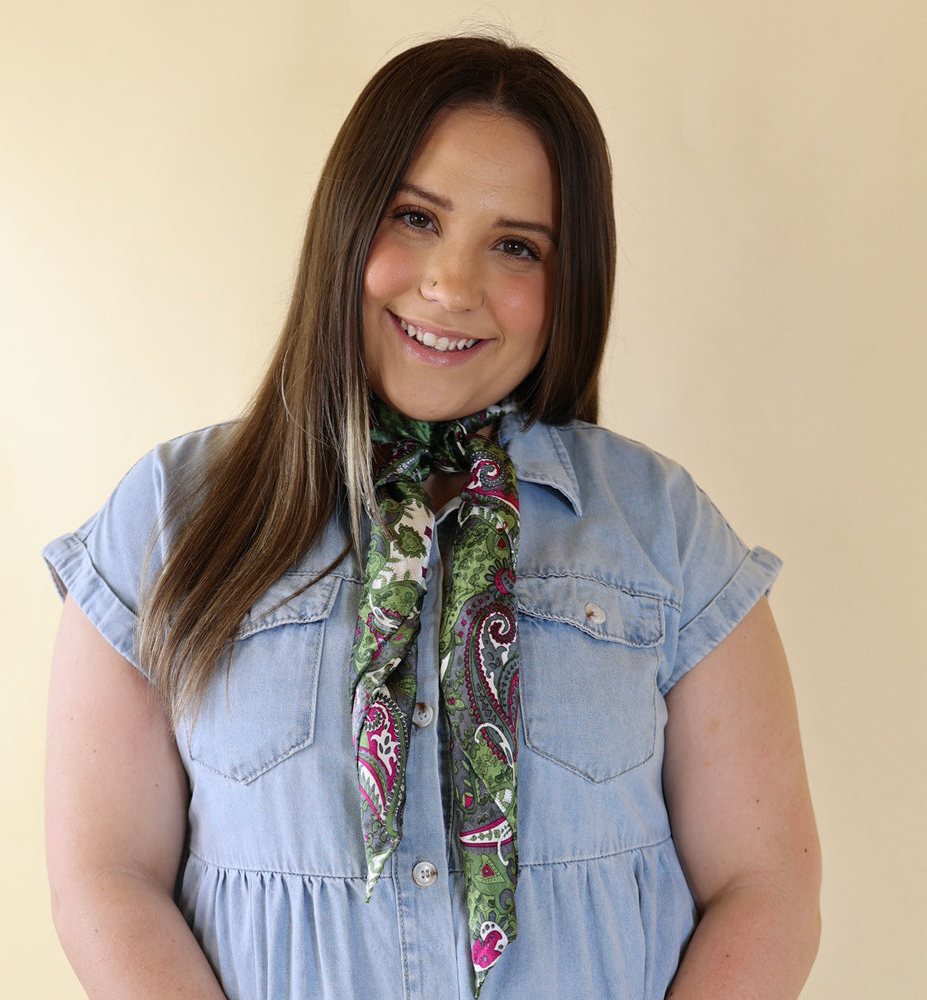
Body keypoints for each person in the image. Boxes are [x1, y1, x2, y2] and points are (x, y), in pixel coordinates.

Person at [43, 35, 820, 1000]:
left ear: (567, 281)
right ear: (347, 220)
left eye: (515, 246)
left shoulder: (663, 530)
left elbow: (767, 884)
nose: (451, 285)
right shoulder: (167, 518)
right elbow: (106, 878)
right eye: (415, 217)